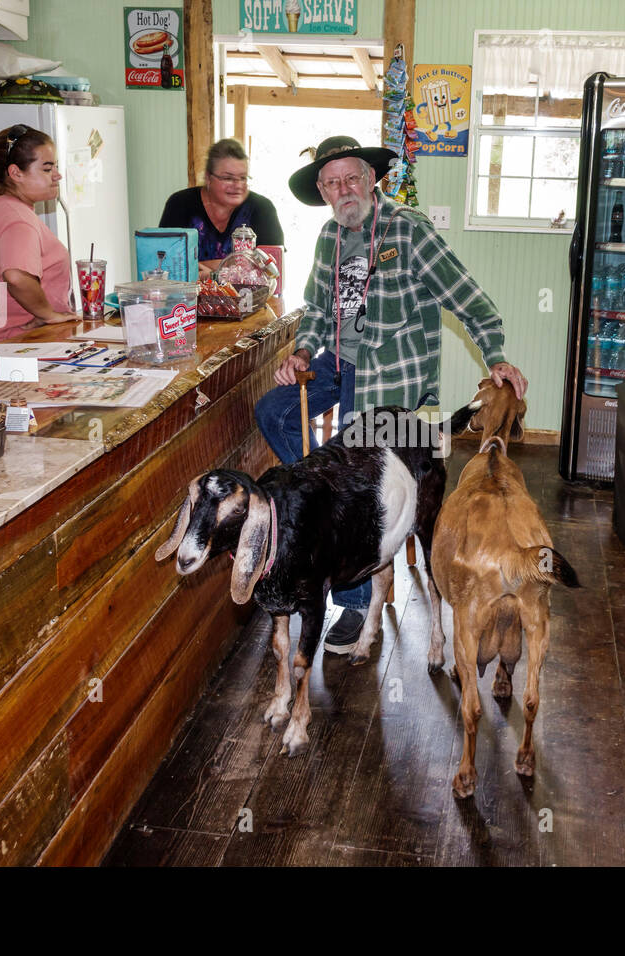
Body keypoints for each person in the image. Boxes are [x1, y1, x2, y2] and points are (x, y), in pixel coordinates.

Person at [254, 134, 528, 655]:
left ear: (372, 179)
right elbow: (314, 310)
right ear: (322, 191)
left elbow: (471, 299)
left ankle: (355, 600)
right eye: (332, 184)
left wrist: (494, 355)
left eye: (352, 178)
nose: (343, 190)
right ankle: (328, 502)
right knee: (274, 411)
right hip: (337, 361)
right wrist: (302, 353)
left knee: (357, 463)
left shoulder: (409, 231)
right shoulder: (328, 239)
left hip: (389, 376)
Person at [0, 124, 80, 354]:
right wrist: (47, 314)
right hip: (21, 347)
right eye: (47, 169)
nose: (58, 175)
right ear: (15, 173)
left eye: (56, 167)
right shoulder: (18, 220)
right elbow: (17, 276)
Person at [158, 139, 285, 280]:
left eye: (243, 178)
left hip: (250, 300)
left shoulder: (262, 209)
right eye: (228, 178)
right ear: (208, 178)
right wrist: (241, 269)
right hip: (188, 300)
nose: (237, 185)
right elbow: (165, 265)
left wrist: (210, 271)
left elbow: (274, 272)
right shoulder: (180, 204)